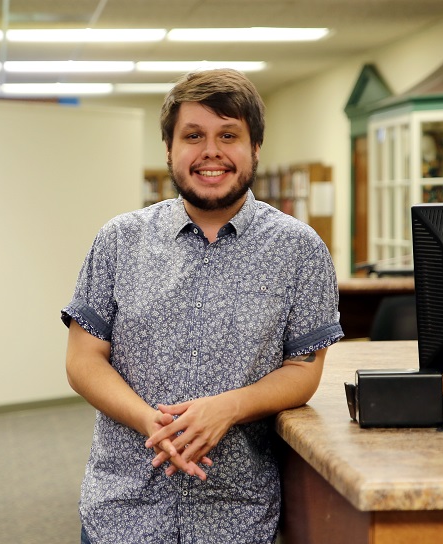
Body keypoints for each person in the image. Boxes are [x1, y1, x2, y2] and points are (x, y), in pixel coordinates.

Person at [61, 68, 343, 544]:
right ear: (169, 150)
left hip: (237, 514)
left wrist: (228, 409)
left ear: (254, 148)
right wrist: (147, 419)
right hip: (123, 510)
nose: (211, 151)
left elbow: (303, 369)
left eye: (228, 135)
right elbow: (83, 359)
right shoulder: (118, 241)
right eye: (193, 136)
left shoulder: (300, 249)